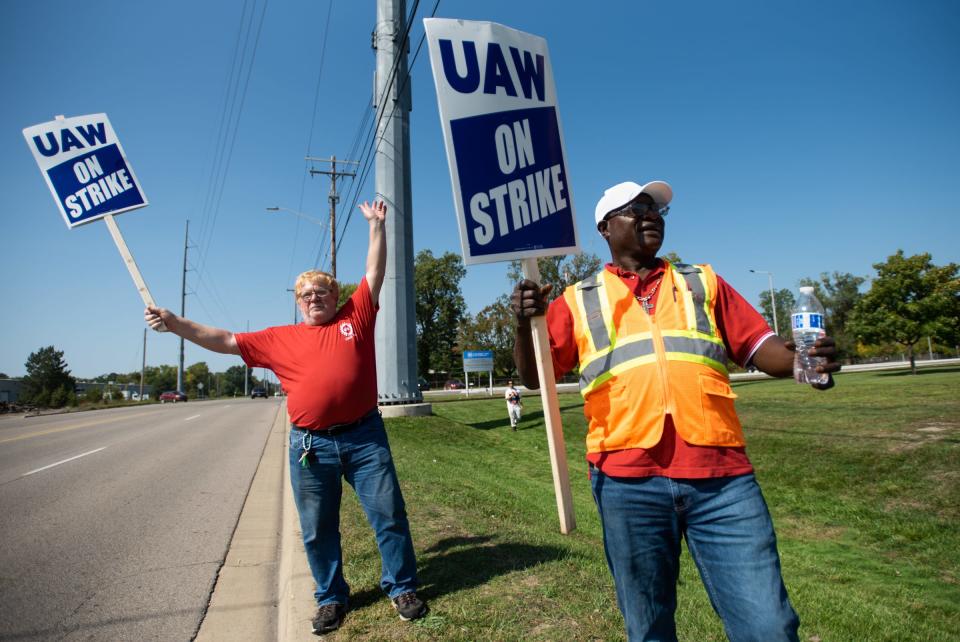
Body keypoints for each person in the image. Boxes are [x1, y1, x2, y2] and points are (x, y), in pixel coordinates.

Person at [510, 180, 840, 642]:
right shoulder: (577, 298)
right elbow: (534, 376)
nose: (651, 216)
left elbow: (760, 346)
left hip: (723, 481)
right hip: (627, 482)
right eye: (636, 209)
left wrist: (804, 361)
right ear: (605, 227)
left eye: (657, 210)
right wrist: (525, 324)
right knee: (649, 628)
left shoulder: (701, 281)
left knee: (769, 626)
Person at [145, 200, 427, 635]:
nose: (315, 299)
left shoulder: (356, 317)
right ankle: (331, 598)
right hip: (310, 446)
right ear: (298, 302)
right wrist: (176, 322)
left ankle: (401, 586)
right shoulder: (278, 339)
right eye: (306, 295)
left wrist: (376, 227)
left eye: (323, 292)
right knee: (317, 529)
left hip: (365, 438)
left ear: (337, 298)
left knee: (389, 514)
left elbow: (375, 272)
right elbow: (223, 339)